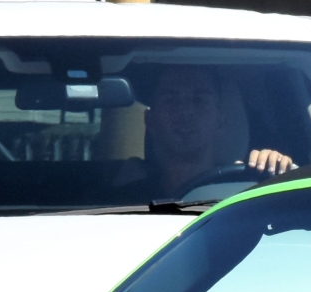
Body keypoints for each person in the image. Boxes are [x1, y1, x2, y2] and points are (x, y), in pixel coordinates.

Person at [126, 63, 298, 203]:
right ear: (150, 120)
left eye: (199, 101)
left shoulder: (250, 191)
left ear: (220, 120)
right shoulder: (123, 201)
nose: (186, 111)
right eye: (171, 100)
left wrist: (280, 172)